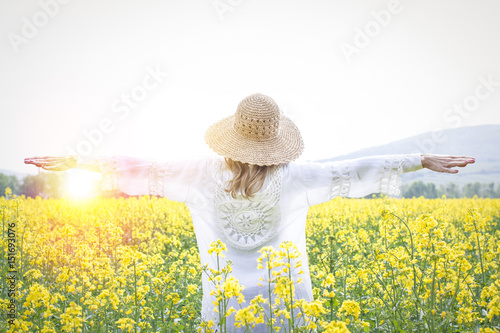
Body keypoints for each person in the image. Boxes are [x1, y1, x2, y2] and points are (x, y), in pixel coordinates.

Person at [25, 93, 475, 331]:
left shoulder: (197, 173)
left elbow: (140, 167)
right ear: (277, 140)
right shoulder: (299, 178)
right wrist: (419, 160)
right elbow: (355, 170)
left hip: (223, 308)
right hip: (290, 307)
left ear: (232, 138)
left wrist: (79, 161)